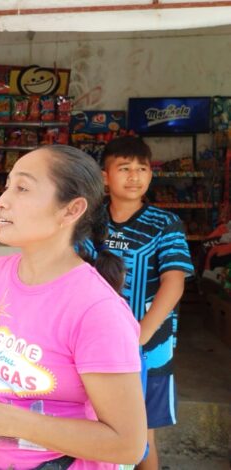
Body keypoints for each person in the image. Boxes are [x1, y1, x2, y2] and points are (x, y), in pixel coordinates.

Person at [0, 145, 147, 469]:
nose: (1, 200)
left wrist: (5, 420)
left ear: (71, 210)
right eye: (7, 185)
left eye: (23, 188)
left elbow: (128, 444)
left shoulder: (97, 309)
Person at [89, 136, 193, 470]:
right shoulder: (90, 221)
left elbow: (173, 283)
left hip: (146, 346)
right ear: (105, 176)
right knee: (90, 424)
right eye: (124, 168)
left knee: (141, 437)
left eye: (142, 169)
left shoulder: (165, 224)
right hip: (95, 341)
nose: (134, 176)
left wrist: (138, 336)